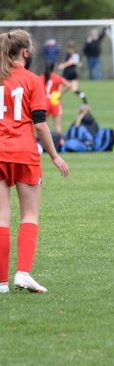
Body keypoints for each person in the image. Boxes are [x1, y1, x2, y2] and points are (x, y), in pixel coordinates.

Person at [0, 30, 69, 293]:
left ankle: (2, 283)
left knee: (2, 219)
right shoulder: (32, 80)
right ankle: (22, 273)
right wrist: (54, 155)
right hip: (24, 153)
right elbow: (40, 124)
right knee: (29, 214)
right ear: (26, 52)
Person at [40, 62, 70, 135]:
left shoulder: (41, 77)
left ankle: (44, 140)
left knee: (44, 126)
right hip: (54, 100)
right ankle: (59, 140)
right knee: (57, 127)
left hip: (44, 101)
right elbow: (68, 85)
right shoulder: (57, 77)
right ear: (53, 68)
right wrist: (60, 93)